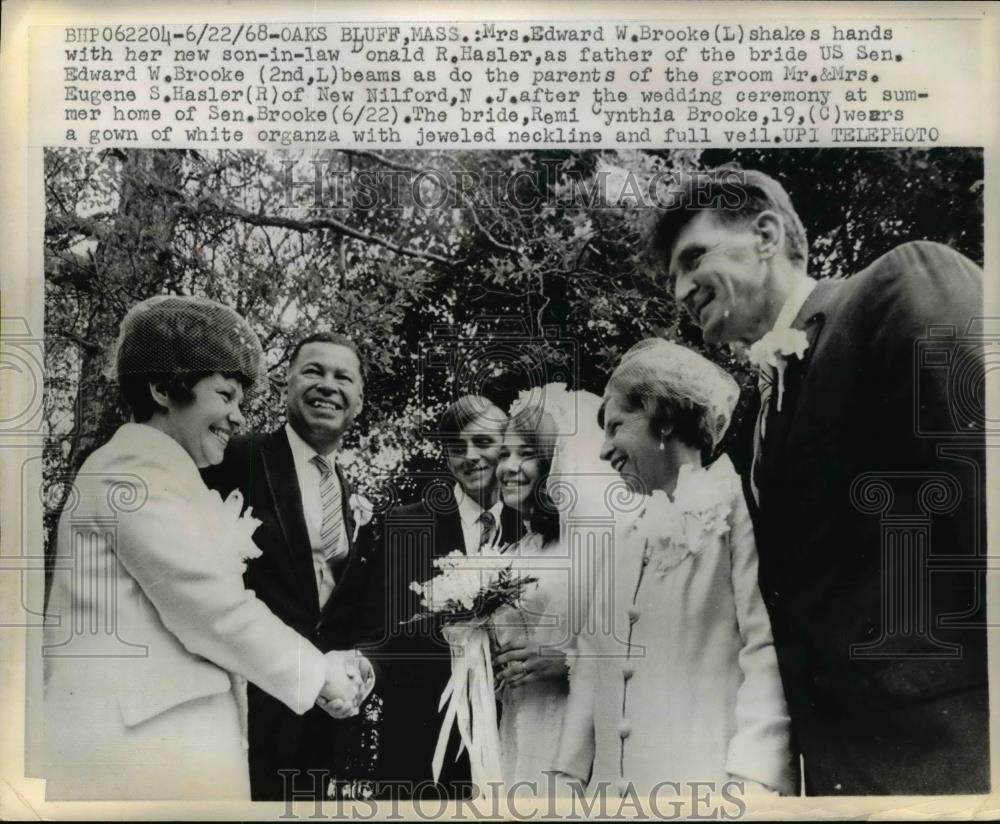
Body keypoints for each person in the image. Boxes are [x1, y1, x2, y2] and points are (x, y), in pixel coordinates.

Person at [652, 168, 988, 794]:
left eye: (692, 258)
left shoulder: (901, 286)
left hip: (957, 757)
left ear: (766, 234)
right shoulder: (749, 421)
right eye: (671, 276)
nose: (679, 290)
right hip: (835, 778)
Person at [43, 296, 372, 801]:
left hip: (167, 742)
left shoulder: (166, 472)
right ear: (161, 388)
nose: (238, 417)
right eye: (224, 395)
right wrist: (317, 672)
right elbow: (208, 605)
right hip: (137, 752)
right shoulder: (131, 471)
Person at [556, 340, 792, 797]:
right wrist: (567, 779)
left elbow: (765, 648)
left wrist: (753, 778)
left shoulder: (739, 508)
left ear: (662, 418)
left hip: (706, 789)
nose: (604, 451)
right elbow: (592, 663)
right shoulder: (623, 533)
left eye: (616, 427)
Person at [203, 331, 381, 801]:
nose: (327, 385)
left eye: (343, 377)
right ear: (286, 386)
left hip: (323, 718)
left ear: (358, 401)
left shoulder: (350, 492)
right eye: (313, 371)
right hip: (247, 704)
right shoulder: (234, 459)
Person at [371, 395, 523, 798]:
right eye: (457, 448)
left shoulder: (534, 531)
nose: (470, 456)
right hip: (419, 747)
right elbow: (368, 627)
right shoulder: (405, 525)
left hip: (515, 734)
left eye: (483, 442)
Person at [490, 388, 600, 790]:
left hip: (571, 735)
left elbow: (634, 647)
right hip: (515, 729)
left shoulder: (589, 547)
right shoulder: (514, 551)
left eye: (526, 454)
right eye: (504, 454)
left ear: (558, 463)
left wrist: (565, 661)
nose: (509, 467)